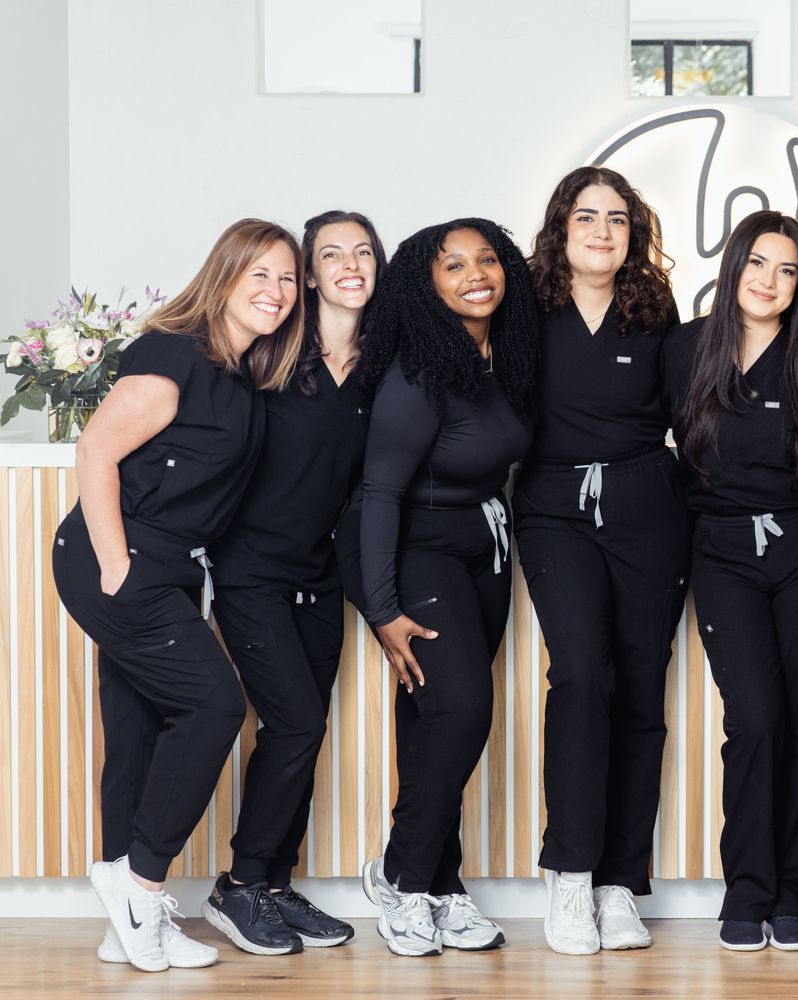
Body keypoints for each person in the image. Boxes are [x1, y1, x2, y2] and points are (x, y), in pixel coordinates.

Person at [54, 218, 304, 973]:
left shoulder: (239, 372)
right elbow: (97, 447)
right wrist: (117, 568)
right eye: (259, 273)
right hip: (123, 562)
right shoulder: (177, 355)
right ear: (223, 277)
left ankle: (122, 924)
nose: (276, 290)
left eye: (288, 278)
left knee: (134, 729)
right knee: (214, 706)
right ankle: (139, 884)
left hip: (167, 567)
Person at [199, 211, 385, 955]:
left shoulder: (385, 363)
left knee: (299, 732)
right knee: (299, 723)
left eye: (364, 252)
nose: (349, 264)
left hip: (321, 576)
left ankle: (273, 883)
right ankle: (239, 886)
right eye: (331, 254)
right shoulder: (268, 352)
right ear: (309, 273)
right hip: (249, 572)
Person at [664, 211, 798, 953]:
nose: (770, 282)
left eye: (788, 270)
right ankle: (746, 890)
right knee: (758, 718)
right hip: (723, 553)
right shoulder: (683, 348)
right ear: (733, 264)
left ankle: (794, 893)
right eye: (758, 264)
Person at [354, 218, 538, 957]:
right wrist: (384, 609)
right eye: (453, 265)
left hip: (484, 552)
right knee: (462, 710)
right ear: (424, 284)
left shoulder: (504, 355)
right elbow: (378, 494)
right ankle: (400, 875)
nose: (475, 274)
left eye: (486, 259)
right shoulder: (418, 370)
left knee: (433, 724)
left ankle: (443, 887)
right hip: (421, 550)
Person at [518, 167, 687, 955]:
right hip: (554, 508)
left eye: (617, 219)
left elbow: (688, 411)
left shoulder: (653, 308)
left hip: (649, 504)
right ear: (561, 225)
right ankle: (571, 873)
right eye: (586, 217)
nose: (601, 231)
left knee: (640, 688)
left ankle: (622, 881)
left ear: (635, 233)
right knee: (583, 675)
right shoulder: (527, 304)